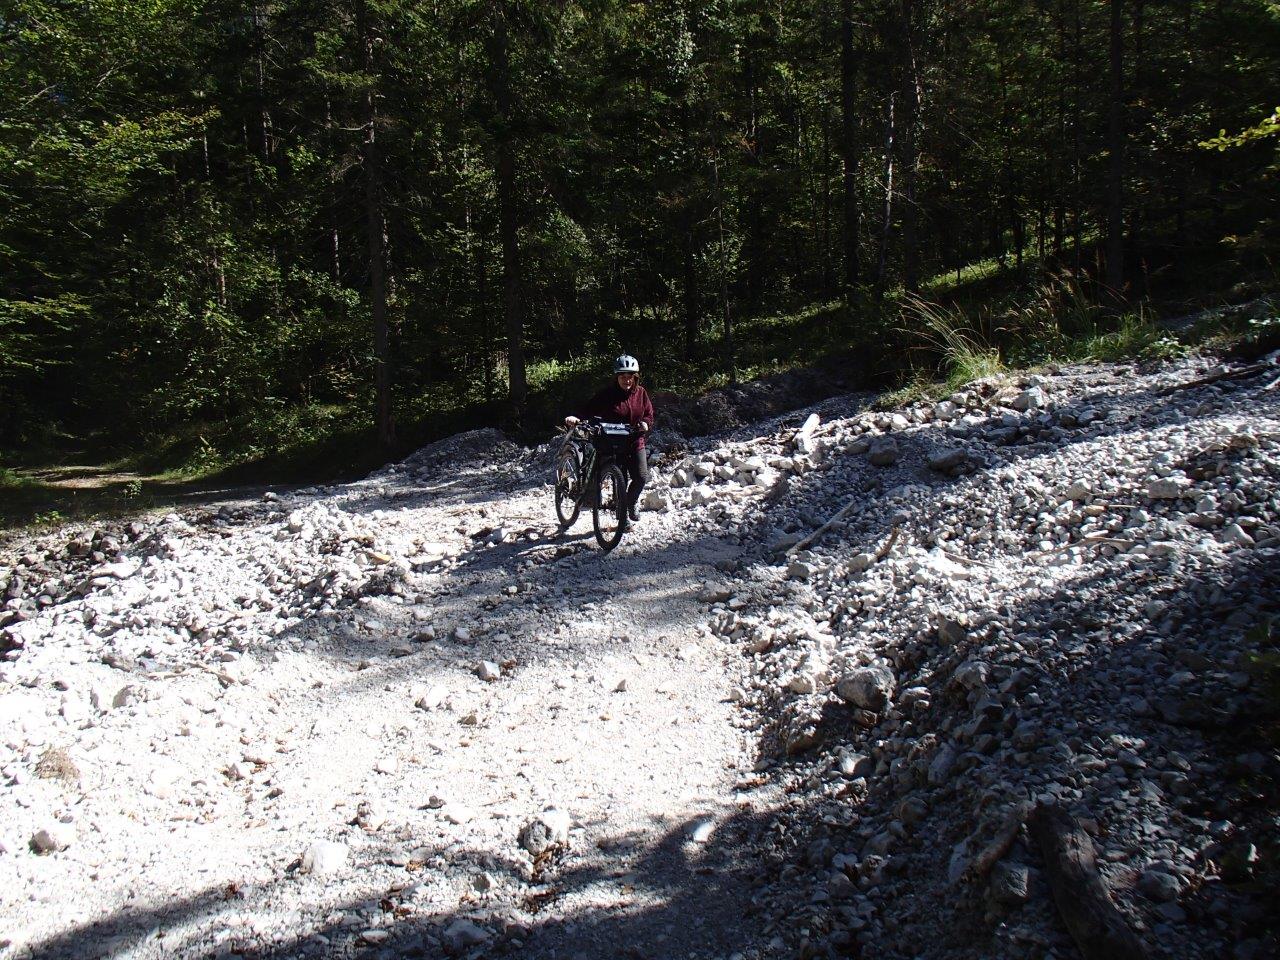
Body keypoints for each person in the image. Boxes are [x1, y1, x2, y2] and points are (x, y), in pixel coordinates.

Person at [564, 354, 655, 522]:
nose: (626, 380)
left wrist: (645, 423)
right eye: (622, 376)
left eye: (630, 377)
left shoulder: (641, 393)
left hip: (635, 440)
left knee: (641, 477)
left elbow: (649, 414)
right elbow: (588, 408)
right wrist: (576, 417)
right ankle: (621, 515)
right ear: (617, 377)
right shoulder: (607, 394)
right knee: (619, 478)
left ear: (635, 377)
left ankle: (631, 502)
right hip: (612, 442)